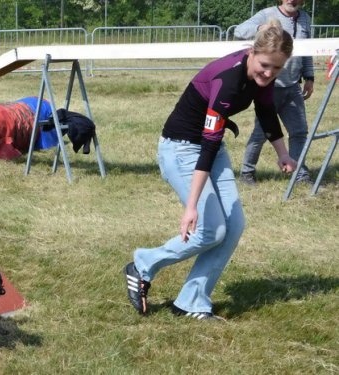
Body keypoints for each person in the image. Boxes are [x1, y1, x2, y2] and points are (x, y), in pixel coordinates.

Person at [123, 20, 297, 319]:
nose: (268, 74)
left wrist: (283, 154)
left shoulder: (261, 78)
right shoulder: (228, 80)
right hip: (182, 148)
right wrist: (191, 206)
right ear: (252, 53)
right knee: (210, 229)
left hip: (210, 148)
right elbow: (208, 142)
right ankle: (143, 264)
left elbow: (267, 113)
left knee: (233, 226)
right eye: (265, 65)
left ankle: (191, 301)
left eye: (277, 69)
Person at [235, 0, 314, 185]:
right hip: (269, 87)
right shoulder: (267, 14)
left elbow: (308, 50)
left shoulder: (305, 19)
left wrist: (309, 76)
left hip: (293, 86)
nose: (292, 0)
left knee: (299, 132)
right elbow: (238, 31)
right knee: (261, 133)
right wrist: (261, 28)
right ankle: (247, 173)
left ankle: (299, 174)